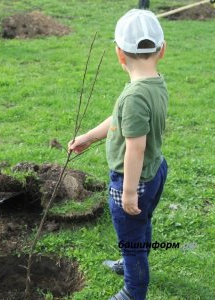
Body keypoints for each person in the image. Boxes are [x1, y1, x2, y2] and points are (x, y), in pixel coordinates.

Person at [68, 9, 167, 300]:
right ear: (162, 50)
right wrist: (88, 136)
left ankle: (133, 292)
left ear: (119, 55)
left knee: (131, 238)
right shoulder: (154, 83)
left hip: (134, 180)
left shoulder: (135, 95)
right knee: (141, 225)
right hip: (155, 170)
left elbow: (135, 148)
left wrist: (127, 192)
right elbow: (118, 120)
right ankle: (131, 264)